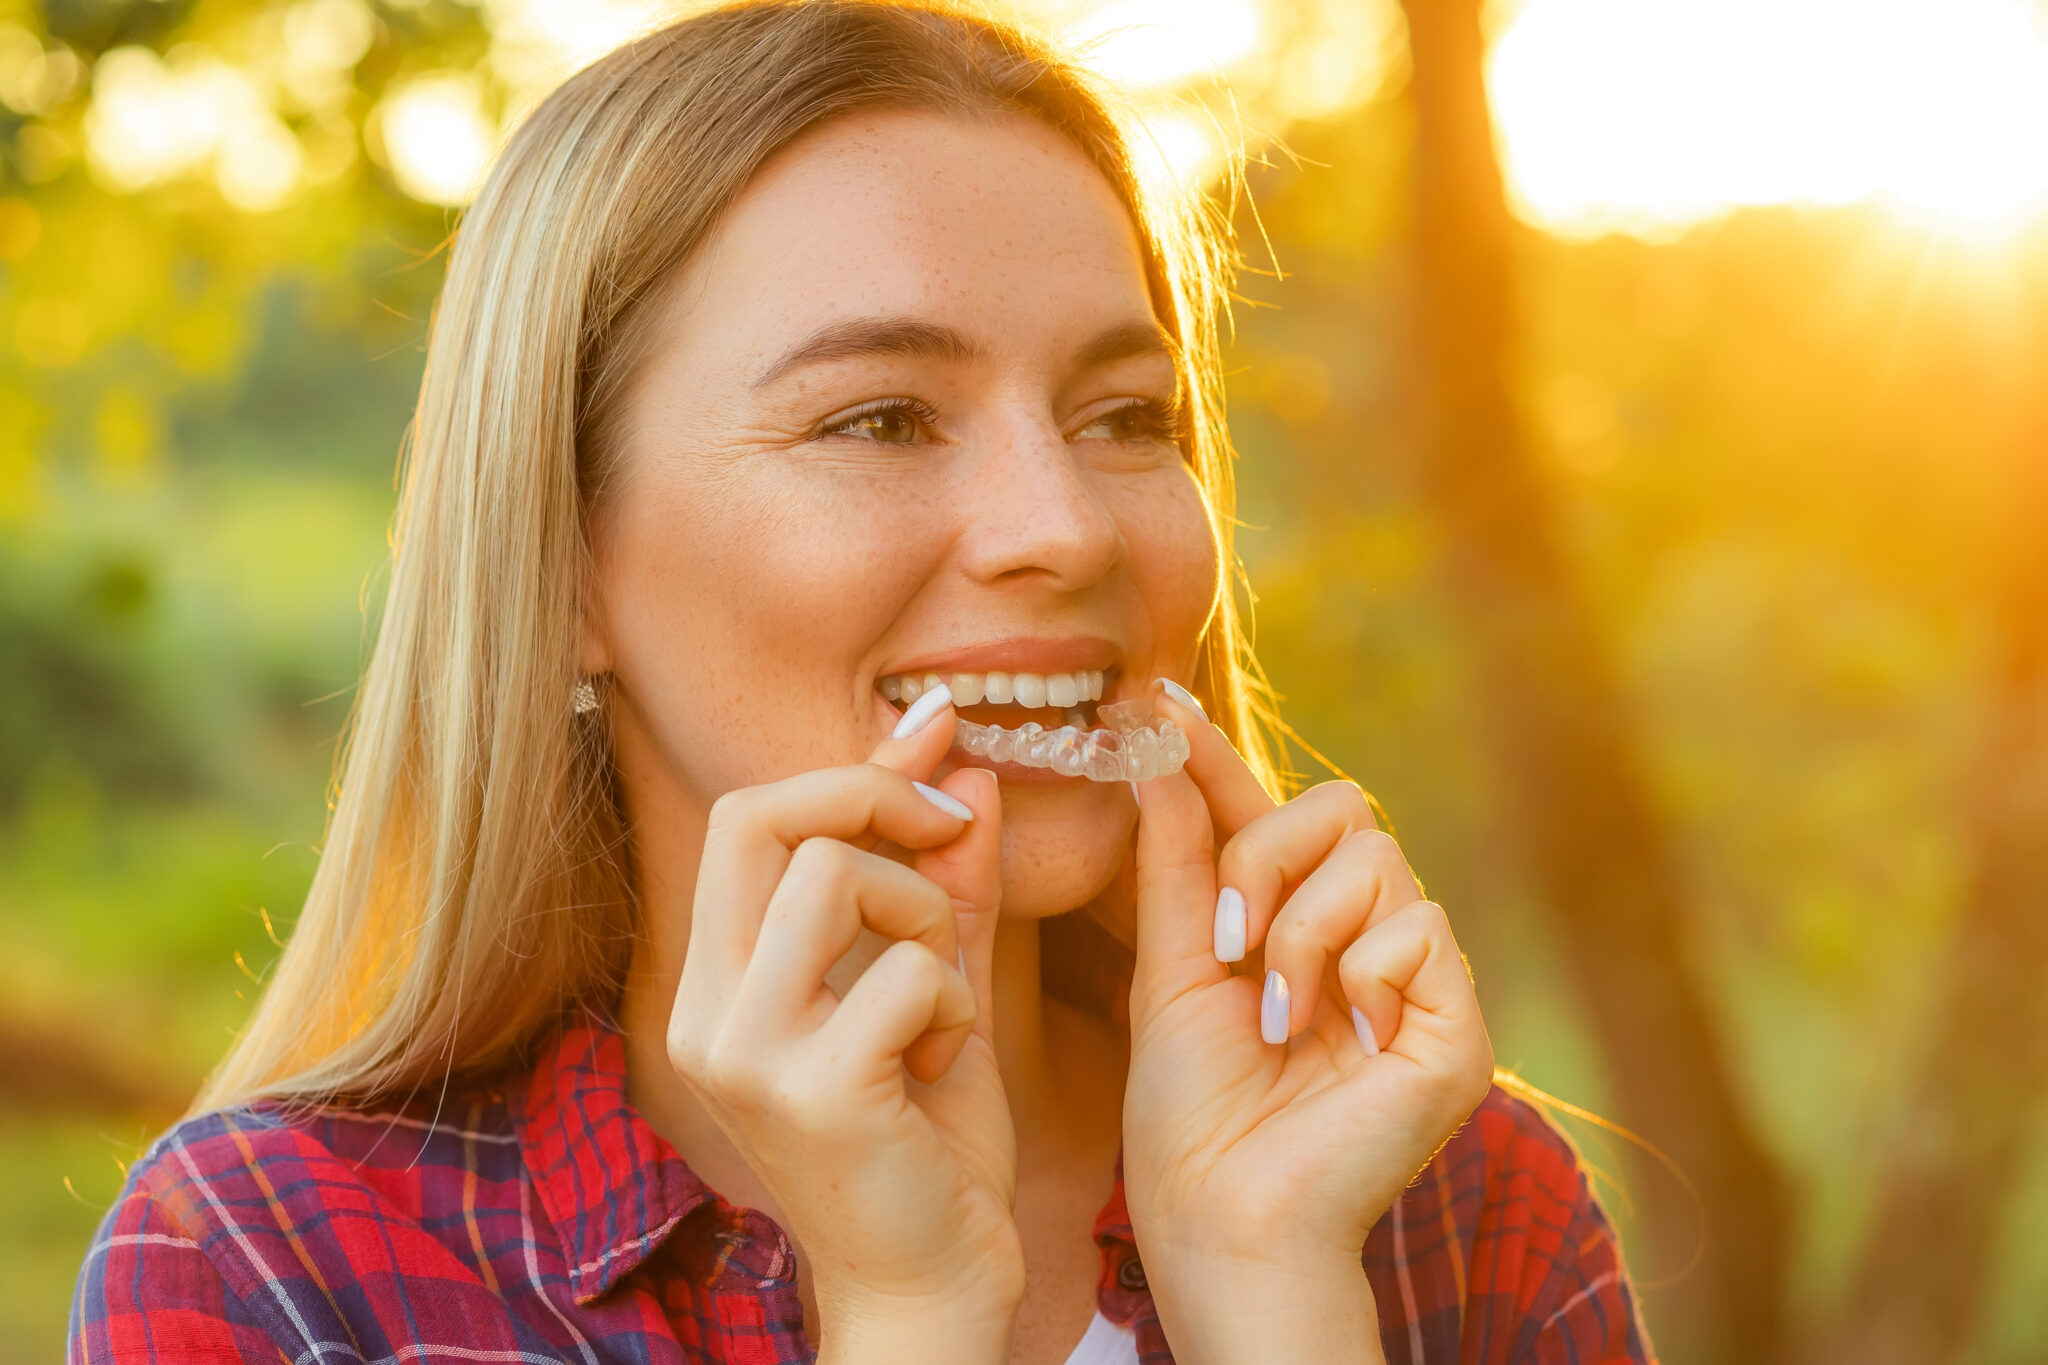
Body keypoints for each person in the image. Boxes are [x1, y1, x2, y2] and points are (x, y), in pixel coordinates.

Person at [69, 3, 1656, 1362]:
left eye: (1123, 416)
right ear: (562, 569)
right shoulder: (275, 1272)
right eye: (881, 418)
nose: (1065, 527)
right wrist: (913, 1310)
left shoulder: (1447, 1202)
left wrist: (1273, 1294)